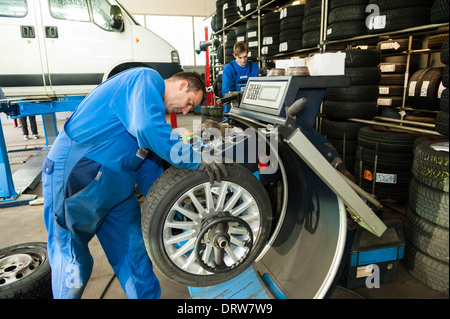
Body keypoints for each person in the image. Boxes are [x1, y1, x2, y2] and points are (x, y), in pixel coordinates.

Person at [41, 67, 228, 299]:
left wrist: (177, 213)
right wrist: (196, 159)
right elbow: (147, 129)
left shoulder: (148, 112)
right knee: (73, 258)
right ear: (181, 85)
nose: (187, 110)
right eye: (190, 102)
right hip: (77, 176)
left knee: (134, 253)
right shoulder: (146, 79)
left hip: (117, 187)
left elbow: (151, 173)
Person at [221, 42, 259, 113]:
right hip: (232, 107)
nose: (243, 60)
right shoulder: (229, 69)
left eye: (245, 56)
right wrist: (233, 101)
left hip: (251, 106)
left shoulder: (254, 67)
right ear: (234, 55)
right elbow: (227, 91)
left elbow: (258, 86)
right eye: (240, 57)